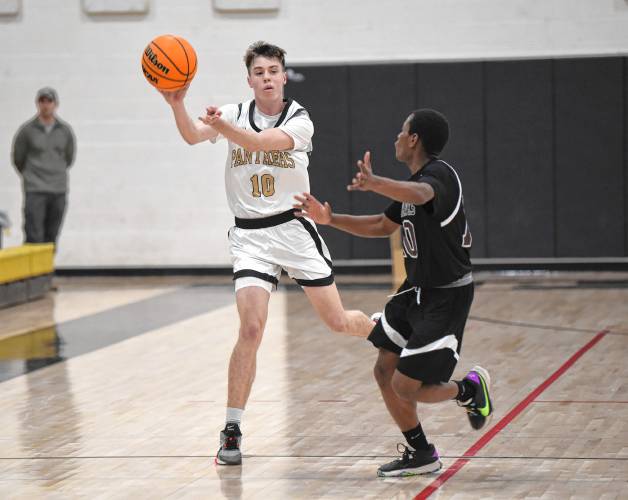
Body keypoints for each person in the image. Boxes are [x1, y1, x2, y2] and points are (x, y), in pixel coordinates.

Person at [159, 41, 374, 466]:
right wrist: (177, 104)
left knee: (337, 322)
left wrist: (222, 128)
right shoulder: (233, 113)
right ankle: (232, 429)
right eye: (259, 72)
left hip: (293, 228)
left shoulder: (300, 120)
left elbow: (259, 145)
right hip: (250, 237)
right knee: (251, 329)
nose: (267, 78)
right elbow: (191, 136)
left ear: (283, 75)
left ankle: (382, 330)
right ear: (250, 80)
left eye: (273, 70)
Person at [293, 109, 493, 477]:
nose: (396, 138)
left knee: (406, 385)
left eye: (402, 132)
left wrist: (376, 182)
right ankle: (421, 453)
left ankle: (468, 389)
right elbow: (381, 225)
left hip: (445, 297)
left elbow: (421, 193)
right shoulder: (410, 187)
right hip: (414, 293)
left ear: (414, 139)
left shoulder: (439, 178)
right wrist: (329, 219)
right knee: (384, 370)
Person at [11, 87, 76, 249]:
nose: (46, 105)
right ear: (37, 104)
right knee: (34, 233)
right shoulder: (27, 131)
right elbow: (18, 158)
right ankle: (34, 273)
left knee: (52, 234)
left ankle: (47, 272)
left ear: (56, 105)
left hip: (58, 189)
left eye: (49, 101)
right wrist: (30, 176)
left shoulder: (65, 131)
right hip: (35, 188)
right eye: (42, 101)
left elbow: (69, 157)